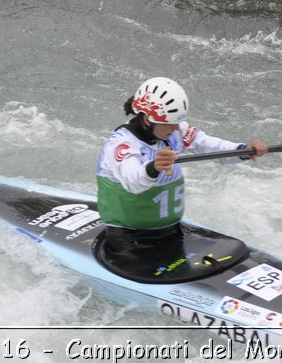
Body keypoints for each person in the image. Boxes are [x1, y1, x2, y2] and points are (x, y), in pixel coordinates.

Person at [95, 77, 267, 274]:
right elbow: (133, 181)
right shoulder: (121, 145)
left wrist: (243, 150)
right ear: (147, 119)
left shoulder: (171, 131)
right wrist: (153, 168)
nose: (176, 128)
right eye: (169, 124)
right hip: (130, 243)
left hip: (173, 232)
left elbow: (206, 144)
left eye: (177, 123)